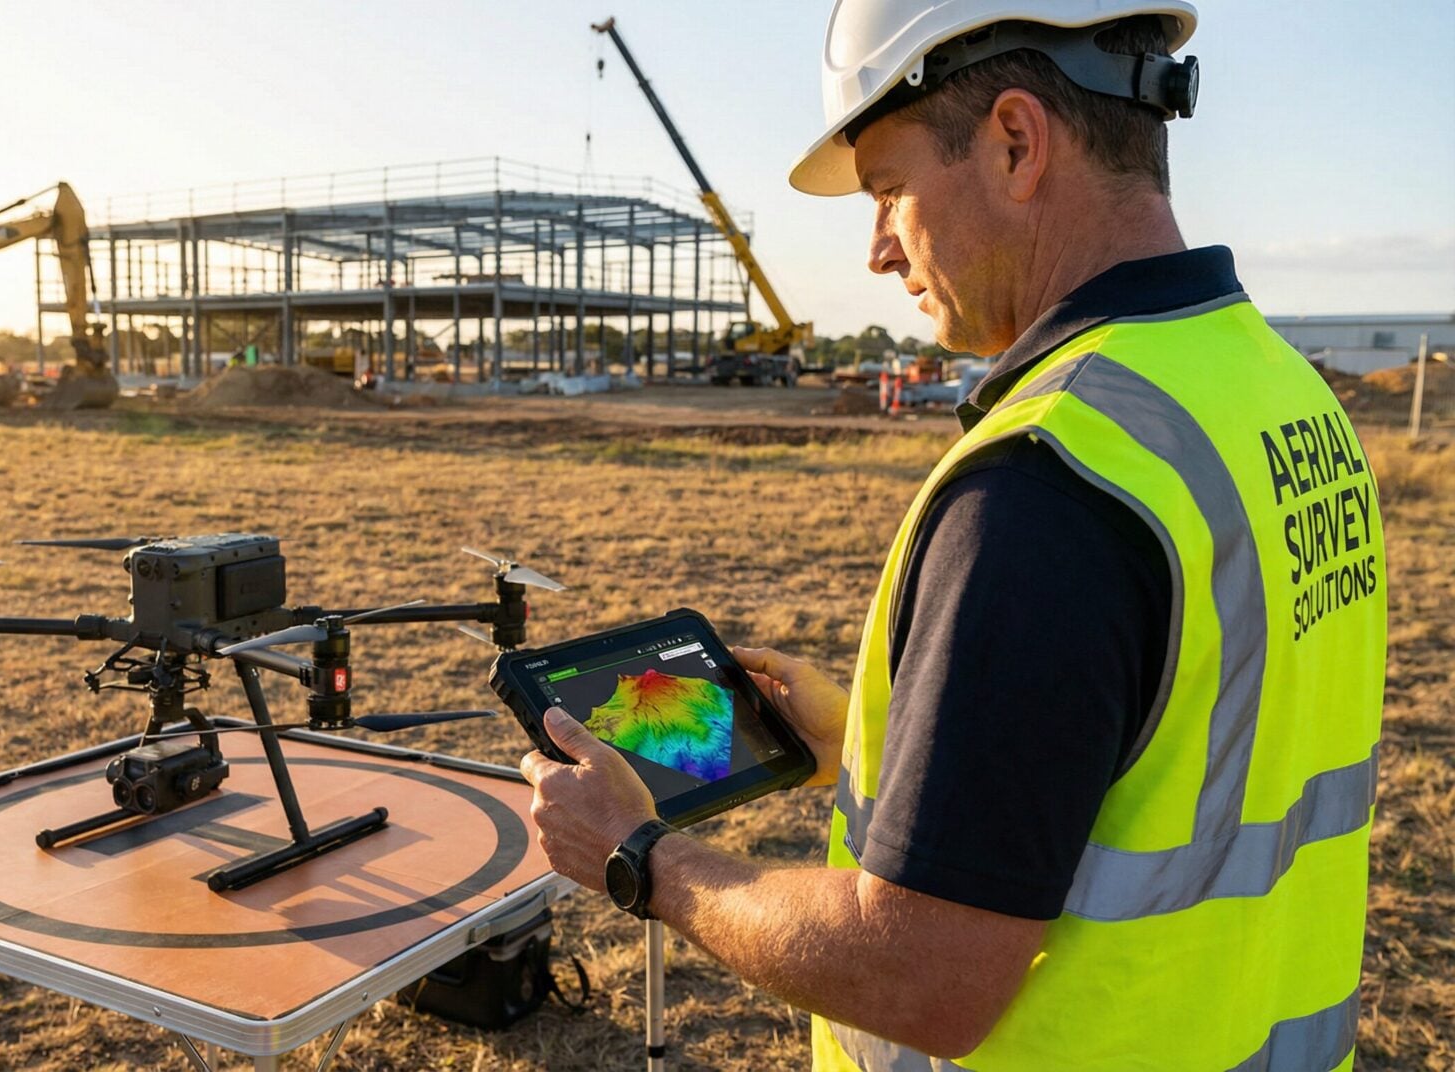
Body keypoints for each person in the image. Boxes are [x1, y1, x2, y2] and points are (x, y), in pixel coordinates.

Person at [519, 2, 1387, 1068]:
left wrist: (640, 854)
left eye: (890, 190)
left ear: (1017, 143)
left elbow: (922, 975)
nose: (880, 248)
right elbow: (1186, 754)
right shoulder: (1278, 396)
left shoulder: (1047, 483)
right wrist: (870, 747)